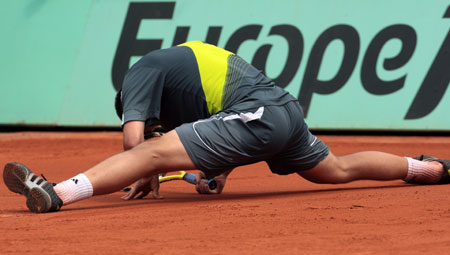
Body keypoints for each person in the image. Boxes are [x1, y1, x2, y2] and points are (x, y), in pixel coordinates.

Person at [3, 41, 450, 213]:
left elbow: (135, 142)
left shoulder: (141, 73)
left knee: (149, 154)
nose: (161, 124)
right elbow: (224, 129)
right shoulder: (185, 71)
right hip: (283, 112)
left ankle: (58, 192)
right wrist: (221, 171)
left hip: (258, 113)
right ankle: (432, 170)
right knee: (337, 169)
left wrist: (145, 169)